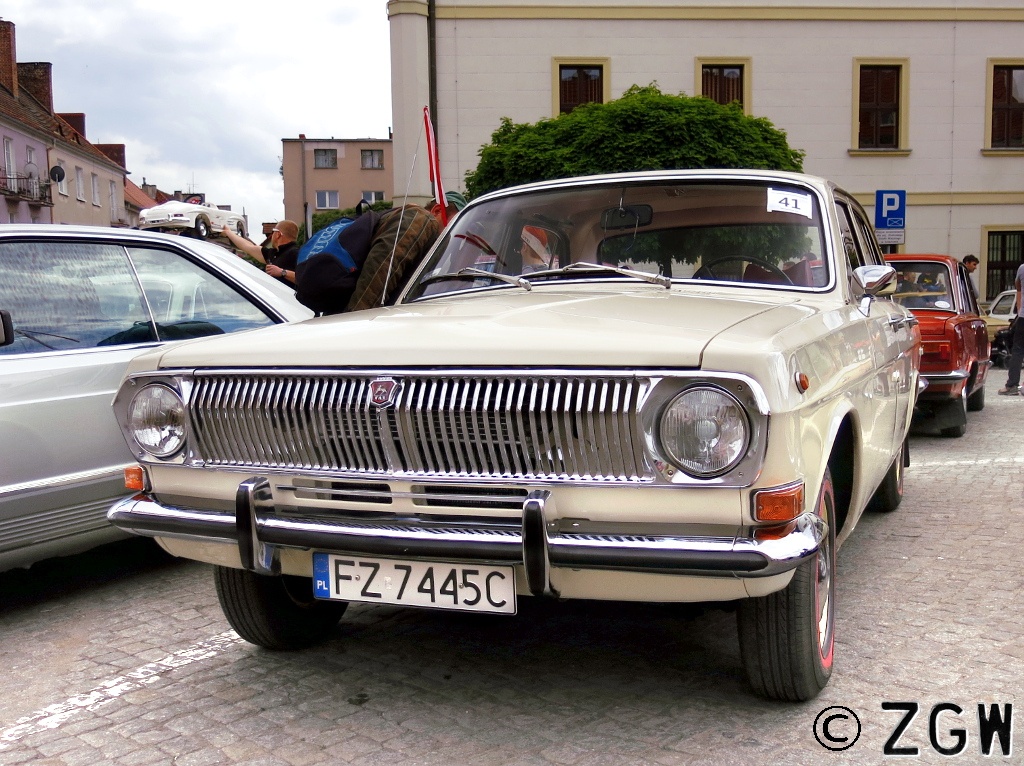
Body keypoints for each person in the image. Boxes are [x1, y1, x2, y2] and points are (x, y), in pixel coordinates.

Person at [222, 220, 300, 287]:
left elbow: (307, 280)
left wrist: (282, 272)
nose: (271, 235)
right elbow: (249, 247)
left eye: (273, 232)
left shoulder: (296, 253)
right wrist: (228, 232)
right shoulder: (275, 253)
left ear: (278, 234)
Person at [998, 261, 1024, 395]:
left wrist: (1020, 310)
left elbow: (1018, 288)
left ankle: (1012, 385)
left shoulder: (1022, 268)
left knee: (1018, 351)